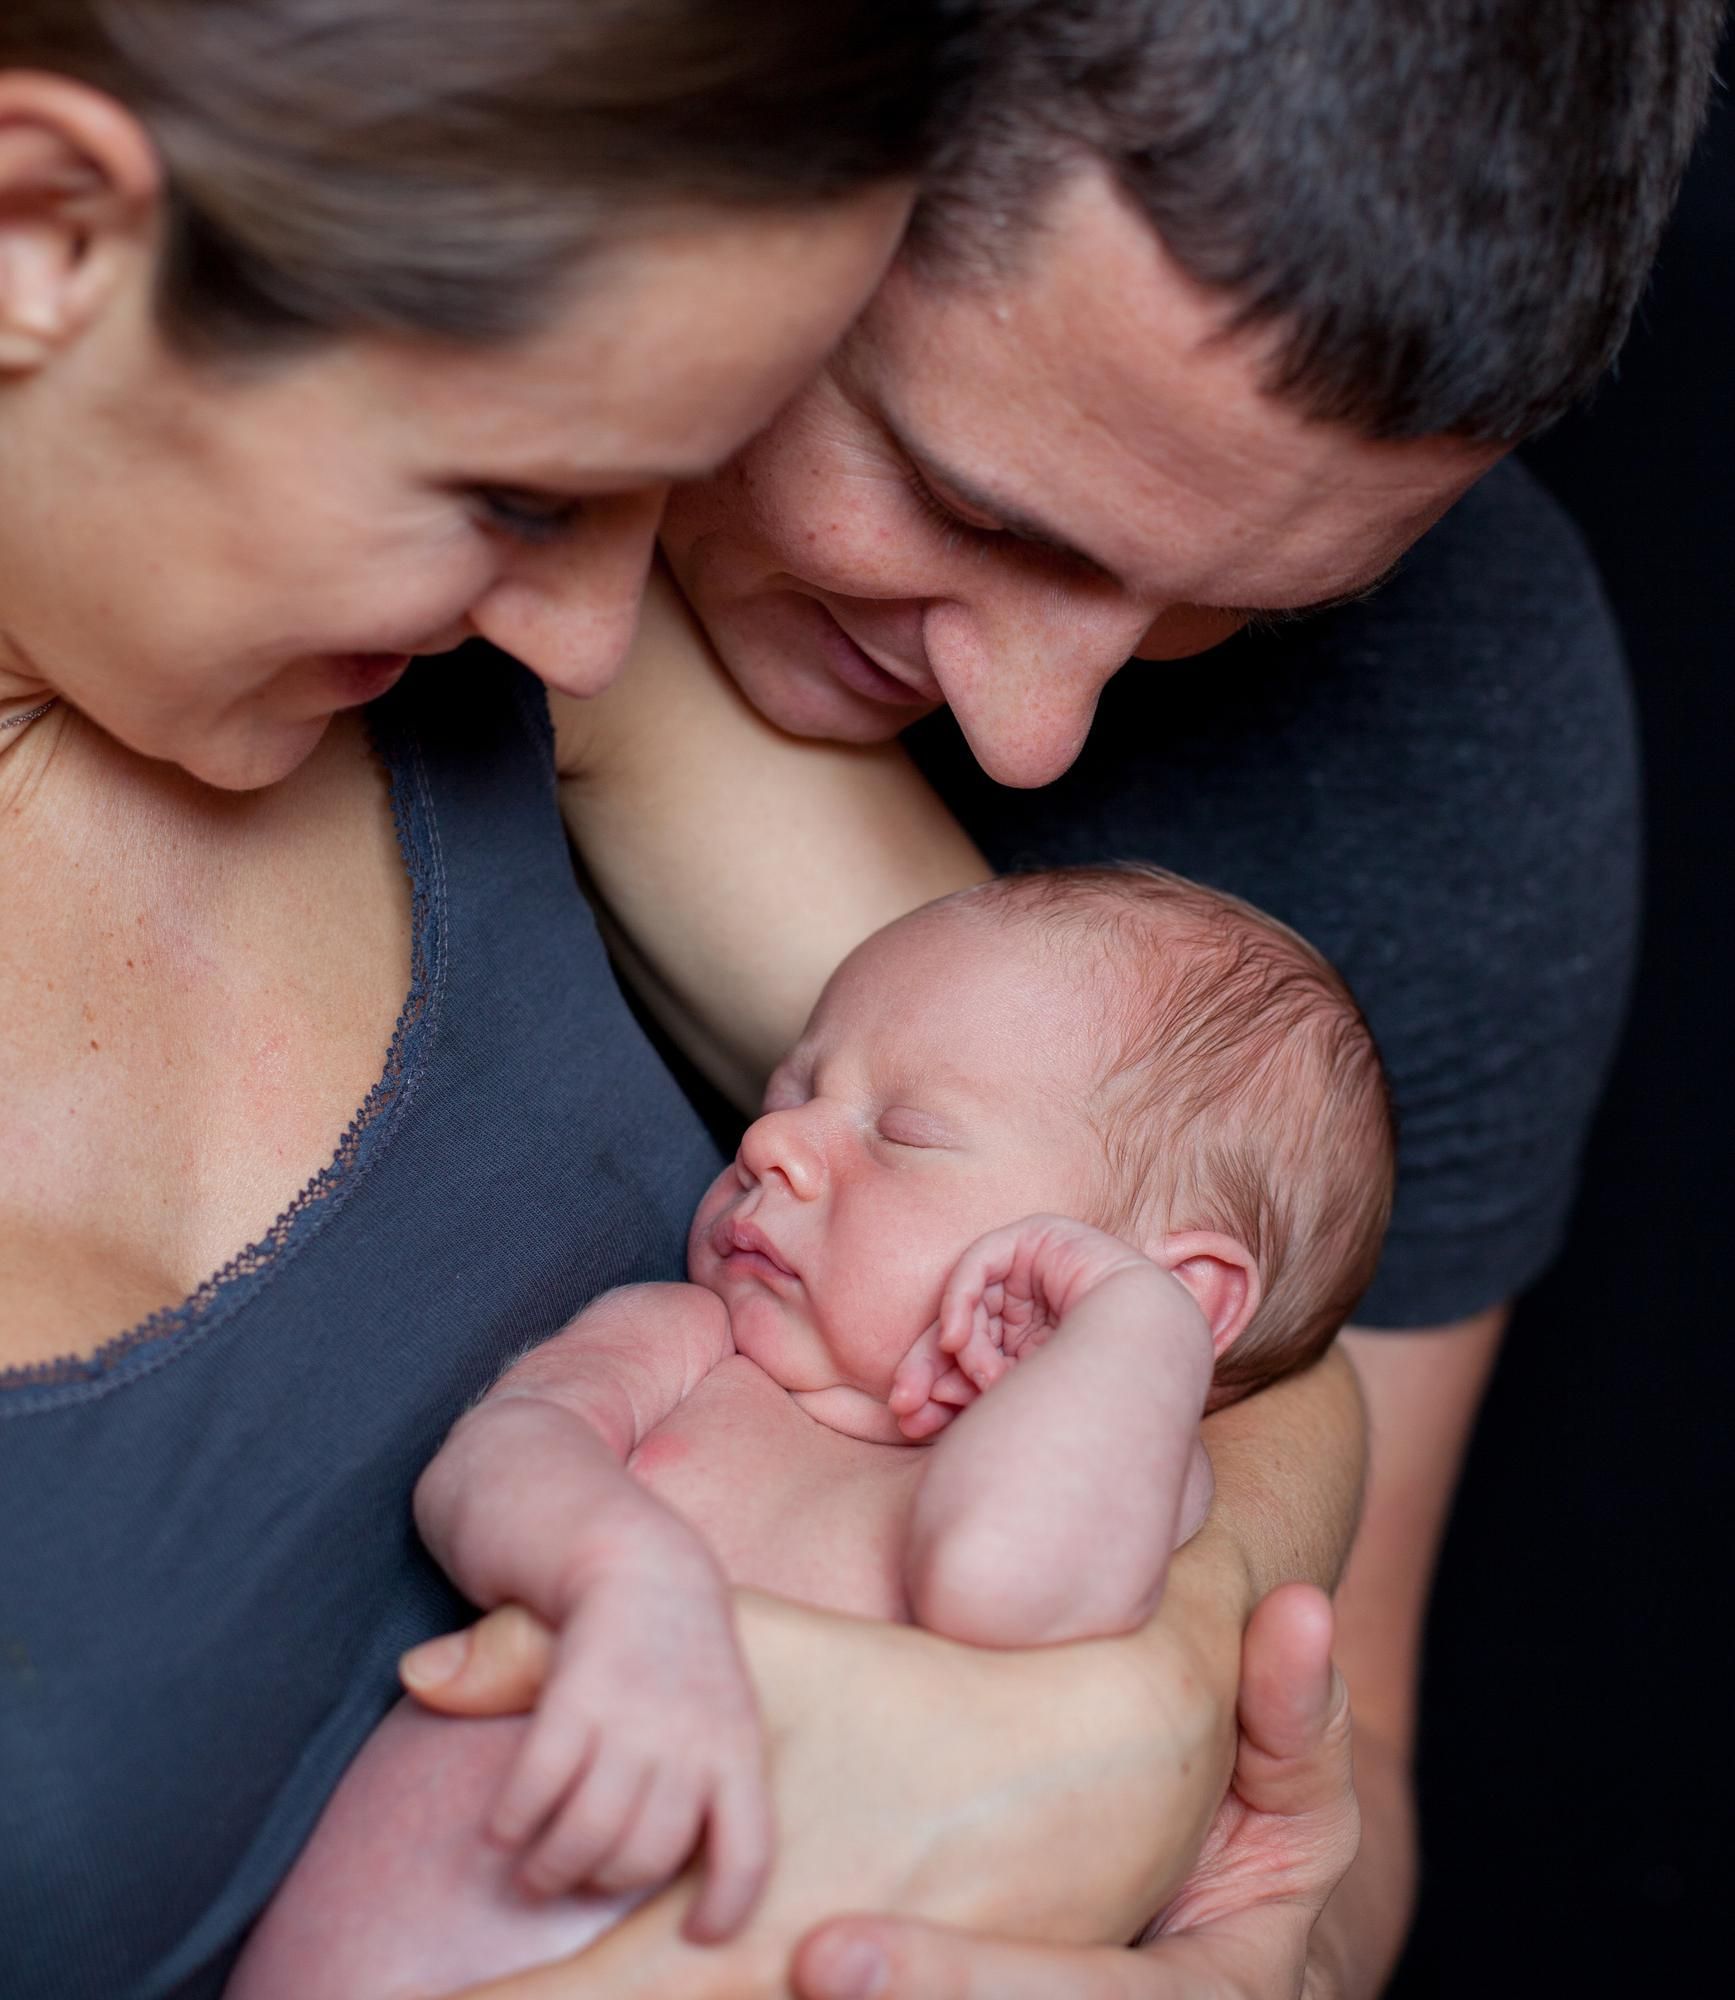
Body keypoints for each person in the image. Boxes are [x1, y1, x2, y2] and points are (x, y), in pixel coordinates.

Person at [405, 5, 1729, 1996]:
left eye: (1246, 608)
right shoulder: (333, 509)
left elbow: (1335, 1737)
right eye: (975, 504)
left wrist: (1259, 1945)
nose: (1031, 739)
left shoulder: (1458, 725)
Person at [0, 3, 987, 1995]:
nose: (608, 625)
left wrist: (1126, 1727)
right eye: (523, 495)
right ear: (40, 233)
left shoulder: (496, 672)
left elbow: (1193, 1206)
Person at [228, 863, 1396, 1999]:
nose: (767, 1145)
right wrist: (616, 1569)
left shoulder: (1136, 1491)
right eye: (788, 1093)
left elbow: (1002, 1580)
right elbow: (488, 1457)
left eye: (905, 1132)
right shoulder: (691, 1344)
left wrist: (1131, 1328)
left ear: (1174, 1299)